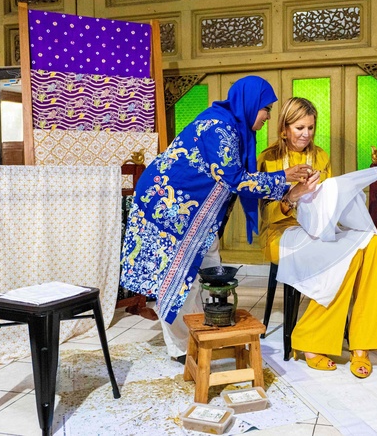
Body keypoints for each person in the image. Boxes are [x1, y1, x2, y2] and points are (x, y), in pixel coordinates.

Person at [120, 77, 313, 357]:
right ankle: (184, 348)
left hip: (192, 209)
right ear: (249, 103)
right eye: (266, 109)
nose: (268, 116)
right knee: (180, 276)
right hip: (168, 207)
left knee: (208, 267)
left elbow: (234, 177)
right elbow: (234, 179)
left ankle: (205, 333)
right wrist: (283, 177)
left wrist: (284, 184)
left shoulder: (234, 127)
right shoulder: (219, 127)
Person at [257, 97, 377, 378]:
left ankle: (362, 345)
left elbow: (328, 199)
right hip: (280, 233)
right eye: (299, 128)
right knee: (346, 256)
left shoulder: (320, 156)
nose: (306, 134)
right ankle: (310, 339)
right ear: (284, 129)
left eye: (311, 128)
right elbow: (266, 215)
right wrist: (293, 195)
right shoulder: (268, 159)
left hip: (317, 228)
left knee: (372, 243)